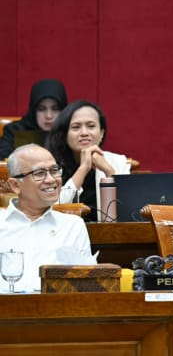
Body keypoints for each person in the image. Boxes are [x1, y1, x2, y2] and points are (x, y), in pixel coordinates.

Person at [0, 144, 94, 292]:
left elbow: (84, 286)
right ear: (15, 185)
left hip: (58, 311)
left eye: (54, 171)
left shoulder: (72, 226)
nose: (51, 180)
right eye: (39, 173)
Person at [45, 100, 131, 222]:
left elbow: (127, 208)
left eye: (91, 126)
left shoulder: (117, 161)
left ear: (101, 133)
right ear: (65, 134)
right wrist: (83, 168)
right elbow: (53, 207)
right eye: (76, 127)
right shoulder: (50, 165)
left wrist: (108, 171)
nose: (84, 133)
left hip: (106, 236)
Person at [0, 79, 68, 160]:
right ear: (33, 110)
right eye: (41, 109)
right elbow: (4, 160)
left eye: (55, 109)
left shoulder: (71, 130)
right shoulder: (14, 130)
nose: (48, 116)